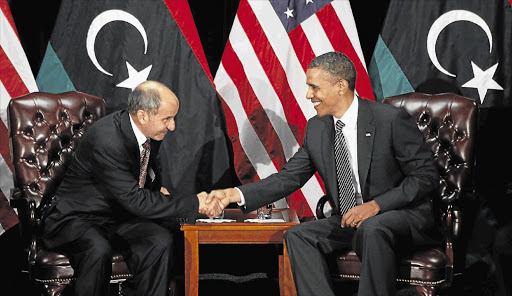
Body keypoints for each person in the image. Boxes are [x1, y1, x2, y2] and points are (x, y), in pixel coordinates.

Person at [207, 52, 440, 296]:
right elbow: (289, 177)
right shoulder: (317, 128)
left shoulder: (389, 120)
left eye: (314, 87)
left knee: (373, 228)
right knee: (298, 236)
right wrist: (234, 194)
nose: (309, 95)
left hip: (398, 215)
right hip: (350, 219)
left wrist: (375, 206)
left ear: (341, 86)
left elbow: (425, 176)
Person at [42, 80, 223, 296]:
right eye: (167, 118)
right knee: (97, 249)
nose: (173, 126)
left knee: (159, 240)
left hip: (117, 216)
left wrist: (158, 192)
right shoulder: (107, 139)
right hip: (76, 217)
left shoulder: (150, 132)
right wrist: (195, 203)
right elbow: (136, 200)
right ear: (143, 115)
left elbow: (143, 177)